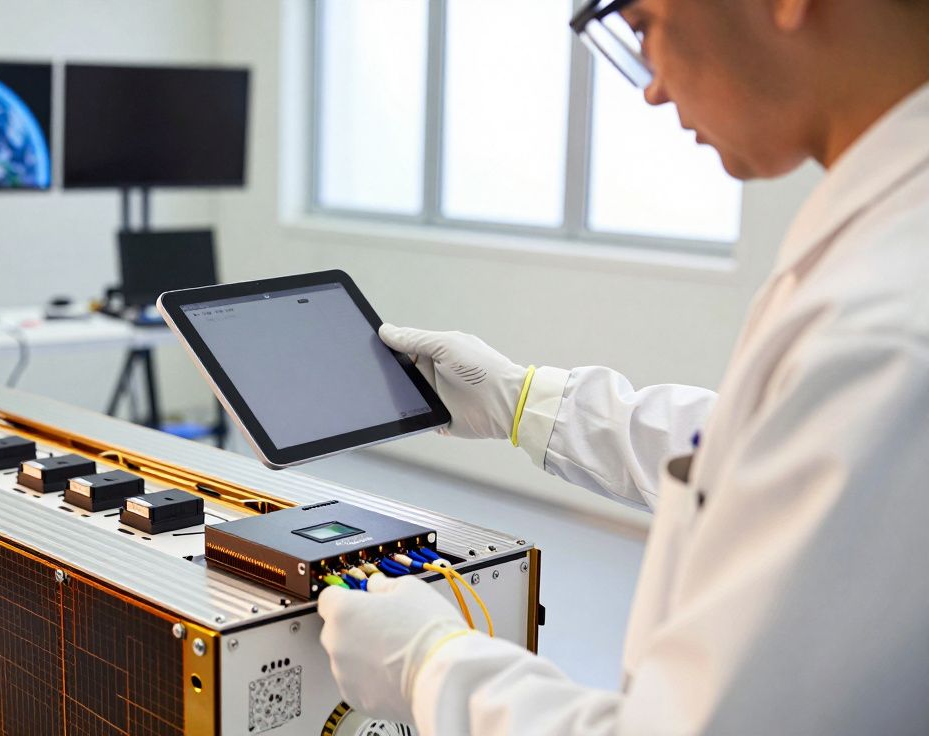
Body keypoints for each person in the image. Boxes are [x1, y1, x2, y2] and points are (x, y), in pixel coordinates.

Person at [316, 0, 929, 733]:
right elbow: (761, 448)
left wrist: (430, 667)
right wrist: (520, 399)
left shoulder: (886, 325)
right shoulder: (883, 249)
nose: (653, 88)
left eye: (641, 25)